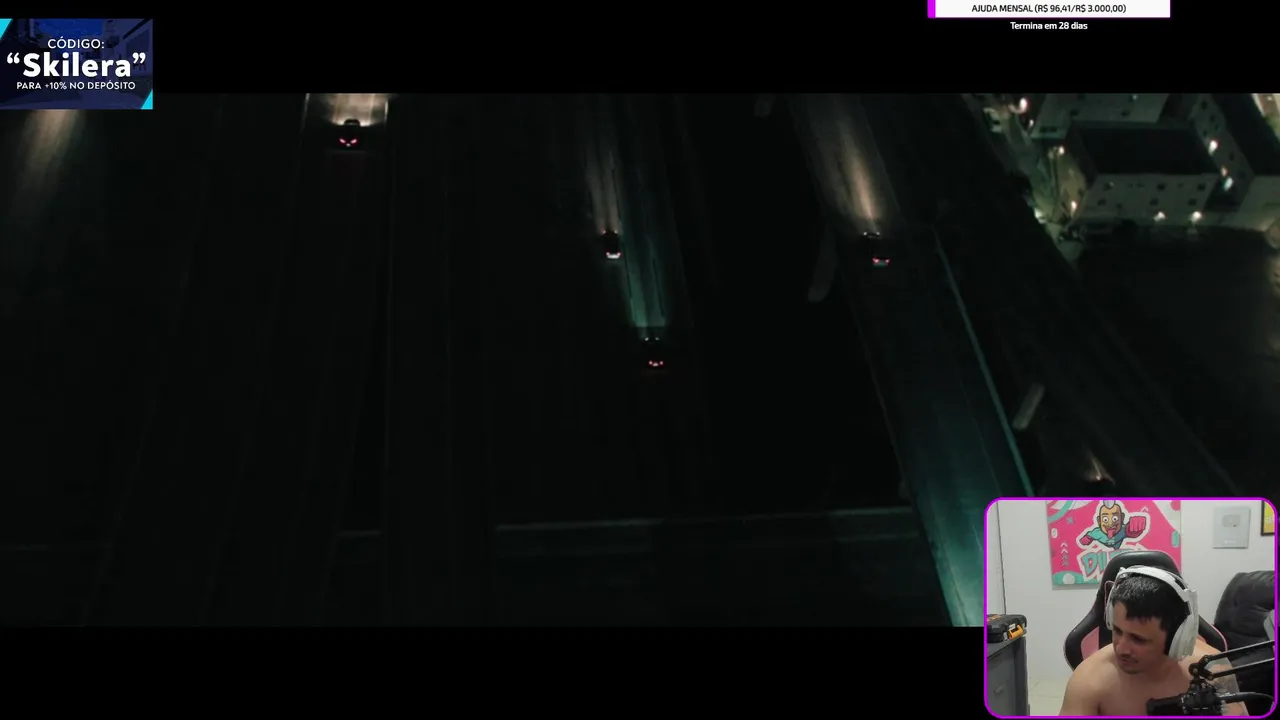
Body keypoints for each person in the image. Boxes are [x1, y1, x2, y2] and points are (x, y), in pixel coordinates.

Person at [1059, 566, 1249, 716]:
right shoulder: (1089, 681)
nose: (1121, 649)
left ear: (1176, 638)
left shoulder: (1213, 670)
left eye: (1138, 639)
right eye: (1117, 631)